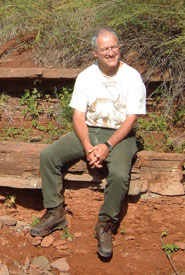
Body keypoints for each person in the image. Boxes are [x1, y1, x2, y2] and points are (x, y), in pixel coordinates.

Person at [30, 27, 146, 258]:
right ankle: (55, 212)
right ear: (95, 52)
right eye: (105, 49)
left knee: (120, 174)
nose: (111, 53)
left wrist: (107, 146)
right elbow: (78, 116)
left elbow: (132, 118)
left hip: (120, 134)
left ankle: (105, 223)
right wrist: (88, 147)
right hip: (90, 130)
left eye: (114, 47)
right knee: (49, 155)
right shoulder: (86, 76)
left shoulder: (132, 76)